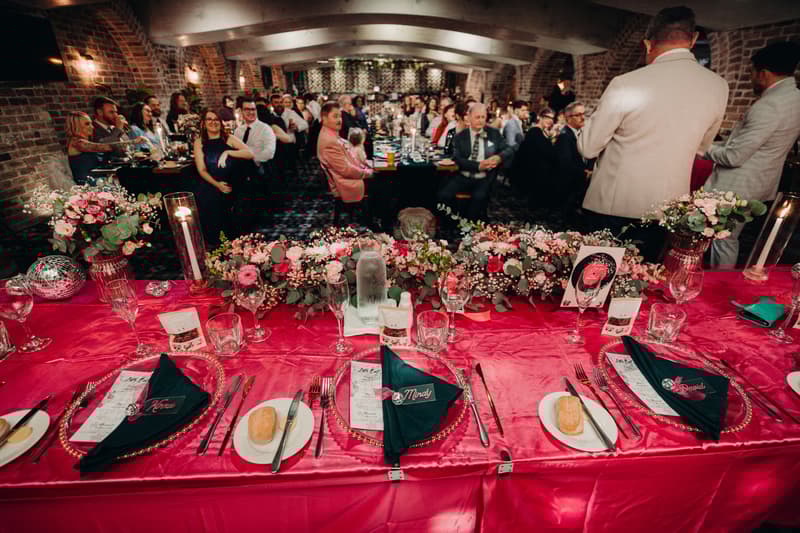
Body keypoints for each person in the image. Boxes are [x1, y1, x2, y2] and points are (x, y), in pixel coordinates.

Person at [576, 5, 728, 261]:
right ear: (692, 39)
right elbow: (701, 147)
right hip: (668, 210)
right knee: (645, 282)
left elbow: (588, 147)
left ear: (648, 44)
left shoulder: (626, 83)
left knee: (594, 282)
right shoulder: (719, 87)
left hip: (615, 205)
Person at [704, 41, 800, 267]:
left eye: (751, 73)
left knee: (724, 241)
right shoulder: (796, 99)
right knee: (726, 239)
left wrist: (702, 147)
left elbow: (734, 156)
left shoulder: (769, 105)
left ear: (764, 73)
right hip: (762, 184)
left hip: (738, 187)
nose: (750, 79)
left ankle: (718, 286)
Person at [438, 103, 513, 221]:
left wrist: (499, 157)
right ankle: (448, 224)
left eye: (483, 117)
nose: (481, 120)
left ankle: (471, 228)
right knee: (443, 195)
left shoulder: (494, 133)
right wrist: (479, 166)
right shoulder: (460, 136)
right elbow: (457, 159)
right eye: (477, 117)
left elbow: (509, 149)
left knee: (478, 200)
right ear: (469, 117)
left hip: (484, 179)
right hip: (463, 176)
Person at [193, 108, 254, 246]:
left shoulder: (228, 138)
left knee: (236, 224)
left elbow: (250, 153)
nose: (213, 122)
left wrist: (228, 152)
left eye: (216, 119)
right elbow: (201, 170)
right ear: (203, 123)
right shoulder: (199, 142)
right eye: (209, 119)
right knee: (215, 224)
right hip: (212, 185)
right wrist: (217, 184)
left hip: (233, 185)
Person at [317, 101, 373, 205]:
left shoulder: (331, 133)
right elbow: (346, 170)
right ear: (324, 118)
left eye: (340, 116)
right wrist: (367, 172)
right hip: (346, 183)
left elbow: (350, 159)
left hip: (349, 176)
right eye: (335, 116)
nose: (339, 120)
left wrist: (366, 166)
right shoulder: (329, 141)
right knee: (385, 182)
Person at [511, 107, 557, 205]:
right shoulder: (535, 132)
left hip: (537, 166)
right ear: (540, 117)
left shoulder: (542, 132)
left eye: (552, 118)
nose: (550, 121)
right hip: (532, 170)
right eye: (547, 117)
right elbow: (543, 153)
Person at [555, 101, 592, 216]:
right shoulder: (564, 136)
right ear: (568, 118)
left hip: (579, 183)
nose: (582, 117)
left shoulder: (581, 133)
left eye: (583, 114)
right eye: (578, 115)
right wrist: (584, 172)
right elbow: (565, 163)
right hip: (569, 185)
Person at [66, 111, 113, 185]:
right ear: (76, 126)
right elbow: (105, 147)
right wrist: (132, 141)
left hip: (98, 181)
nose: (92, 127)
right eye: (87, 124)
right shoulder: (76, 142)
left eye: (91, 123)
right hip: (88, 185)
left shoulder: (86, 141)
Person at [234, 98, 276, 171]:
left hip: (260, 169)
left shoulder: (265, 129)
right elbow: (236, 150)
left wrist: (251, 158)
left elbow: (269, 153)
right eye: (247, 109)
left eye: (253, 109)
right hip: (242, 169)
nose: (251, 112)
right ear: (241, 111)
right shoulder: (238, 131)